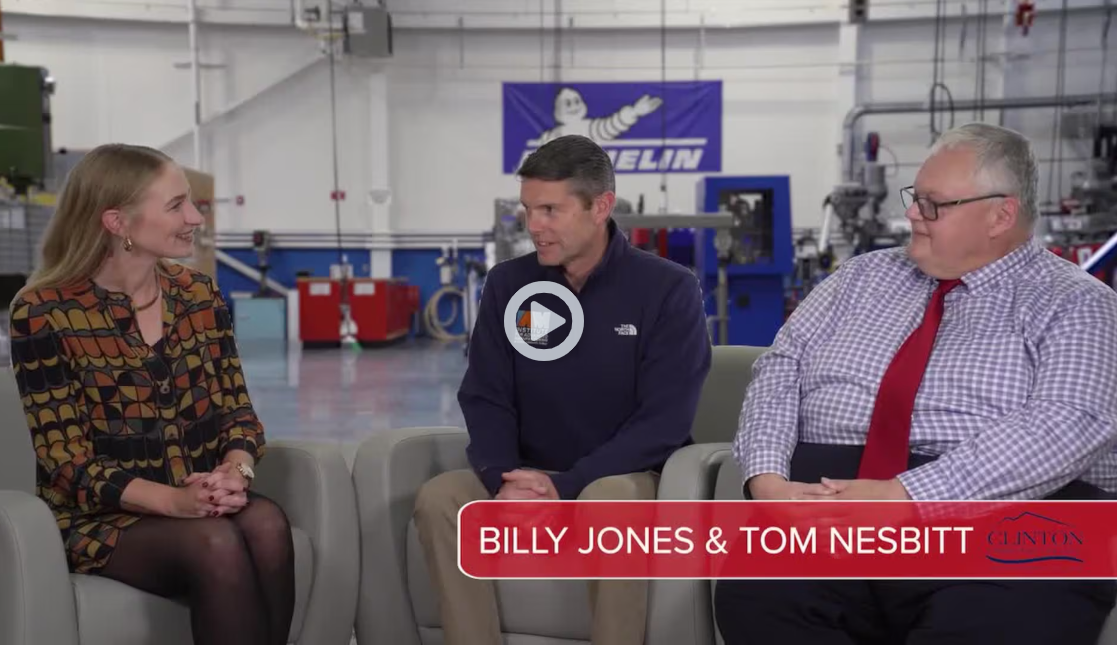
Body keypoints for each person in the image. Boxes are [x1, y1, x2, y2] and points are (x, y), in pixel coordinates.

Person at [716, 122, 1117, 644]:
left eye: (933, 204)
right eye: (914, 198)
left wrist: (905, 496)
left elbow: (1071, 422)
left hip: (1004, 521)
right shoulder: (859, 278)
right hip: (826, 509)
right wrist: (767, 480)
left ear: (1001, 215)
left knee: (994, 624)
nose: (911, 214)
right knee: (759, 597)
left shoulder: (1078, 303)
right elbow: (779, 368)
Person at [413, 134, 712, 645]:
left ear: (601, 207)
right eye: (528, 209)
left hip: (624, 477)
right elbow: (486, 394)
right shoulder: (509, 285)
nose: (534, 226)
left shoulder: (667, 289)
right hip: (526, 471)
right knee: (440, 498)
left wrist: (569, 485)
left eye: (550, 210)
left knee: (608, 504)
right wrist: (501, 478)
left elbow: (664, 420)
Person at [8, 144, 295, 645]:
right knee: (214, 542)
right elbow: (66, 459)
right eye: (176, 205)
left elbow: (238, 413)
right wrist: (175, 502)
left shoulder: (199, 294)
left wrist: (235, 471)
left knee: (268, 524)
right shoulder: (42, 312)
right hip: (100, 516)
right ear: (117, 222)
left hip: (195, 494)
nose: (195, 218)